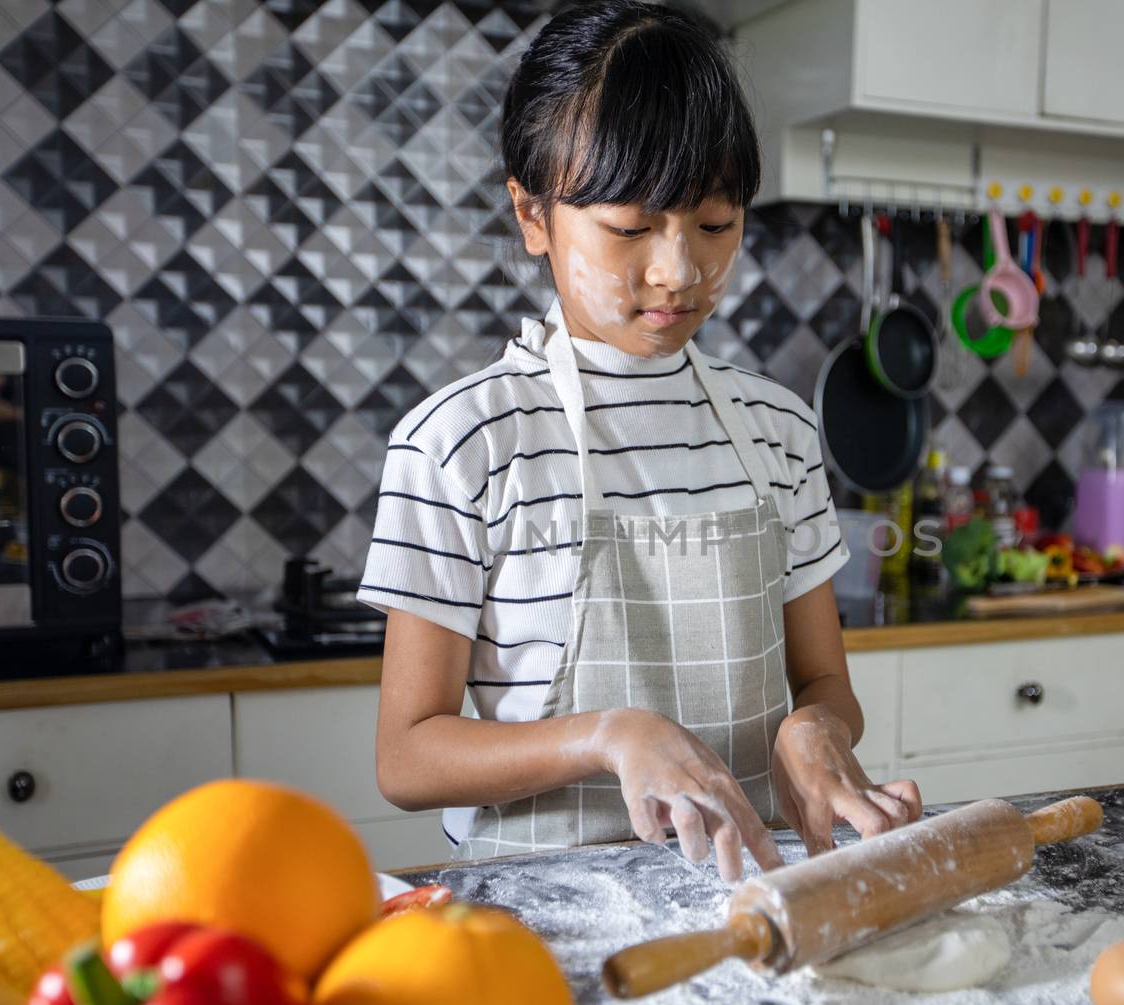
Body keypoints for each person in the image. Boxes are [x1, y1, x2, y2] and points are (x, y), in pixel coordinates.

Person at [359, 0, 921, 881]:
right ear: (533, 216)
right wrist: (611, 734)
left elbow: (823, 682)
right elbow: (407, 756)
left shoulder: (776, 430)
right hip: (538, 919)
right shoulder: (462, 443)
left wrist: (815, 731)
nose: (679, 271)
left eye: (714, 224)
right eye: (629, 229)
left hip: (755, 897)